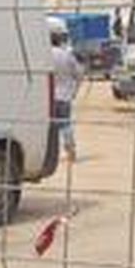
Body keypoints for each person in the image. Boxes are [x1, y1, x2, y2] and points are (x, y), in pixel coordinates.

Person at [49, 17, 81, 162]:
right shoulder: (67, 55)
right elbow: (78, 74)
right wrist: (75, 91)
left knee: (51, 127)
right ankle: (70, 150)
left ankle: (51, 154)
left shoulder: (46, 55)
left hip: (50, 97)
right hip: (65, 96)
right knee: (66, 124)